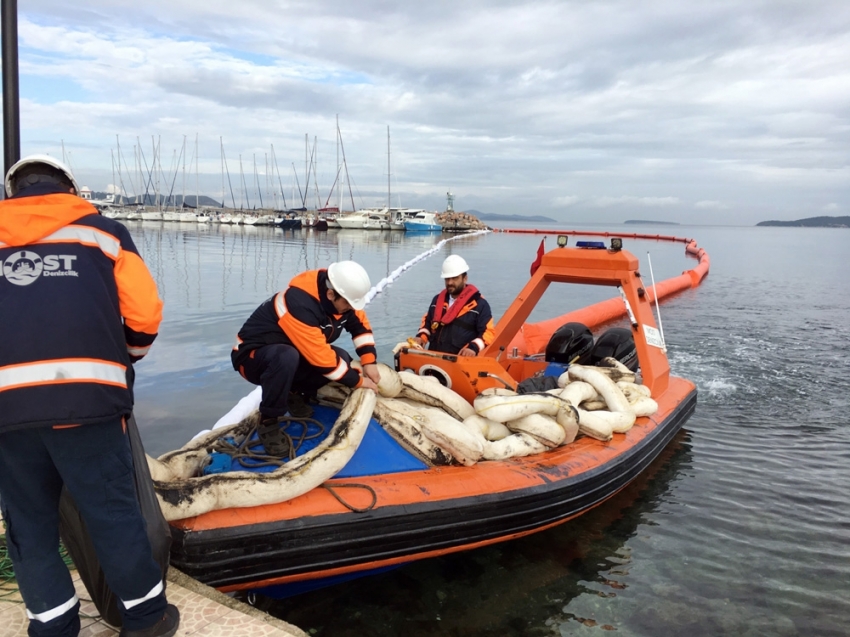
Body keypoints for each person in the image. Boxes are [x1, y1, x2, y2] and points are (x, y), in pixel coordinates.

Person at [0, 155, 179, 637]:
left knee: (28, 525)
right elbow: (144, 315)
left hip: (7, 415)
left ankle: (54, 626)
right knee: (112, 514)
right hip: (89, 406)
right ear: (70, 189)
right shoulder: (104, 233)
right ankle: (146, 618)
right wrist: (126, 359)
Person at [231, 261, 380, 455]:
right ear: (330, 294)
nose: (351, 308)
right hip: (252, 358)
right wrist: (359, 382)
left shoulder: (344, 300)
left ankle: (293, 393)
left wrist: (369, 362)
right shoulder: (300, 303)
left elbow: (360, 328)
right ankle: (268, 422)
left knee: (341, 357)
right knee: (286, 357)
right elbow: (322, 360)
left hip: (290, 352)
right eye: (348, 304)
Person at [412, 254, 495, 356]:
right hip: (433, 361)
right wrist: (421, 337)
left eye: (454, 278)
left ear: (465, 278)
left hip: (460, 364)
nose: (450, 282)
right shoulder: (437, 301)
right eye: (447, 279)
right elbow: (428, 323)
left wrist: (473, 348)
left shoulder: (480, 305)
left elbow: (488, 333)